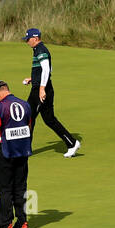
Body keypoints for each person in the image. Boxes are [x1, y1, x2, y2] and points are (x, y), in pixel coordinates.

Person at [20, 29, 80, 157]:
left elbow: (47, 69)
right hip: (40, 87)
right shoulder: (38, 49)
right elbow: (46, 68)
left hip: (40, 90)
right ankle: (71, 143)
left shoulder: (41, 49)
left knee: (30, 117)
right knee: (48, 119)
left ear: (35, 38)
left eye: (28, 39)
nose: (27, 42)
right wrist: (33, 79)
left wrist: (42, 88)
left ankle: (26, 149)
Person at [0, 80, 32, 228]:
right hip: (22, 151)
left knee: (6, 189)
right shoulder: (25, 104)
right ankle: (23, 223)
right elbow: (28, 125)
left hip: (5, 151)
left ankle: (6, 226)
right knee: (20, 187)